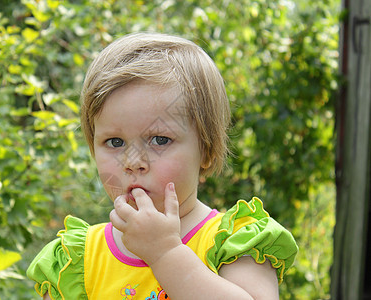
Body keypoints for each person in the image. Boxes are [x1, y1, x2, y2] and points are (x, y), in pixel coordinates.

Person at [27, 32, 298, 300]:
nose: (133, 162)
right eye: (115, 142)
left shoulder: (234, 243)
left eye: (159, 140)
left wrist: (165, 254)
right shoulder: (79, 261)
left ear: (206, 148)